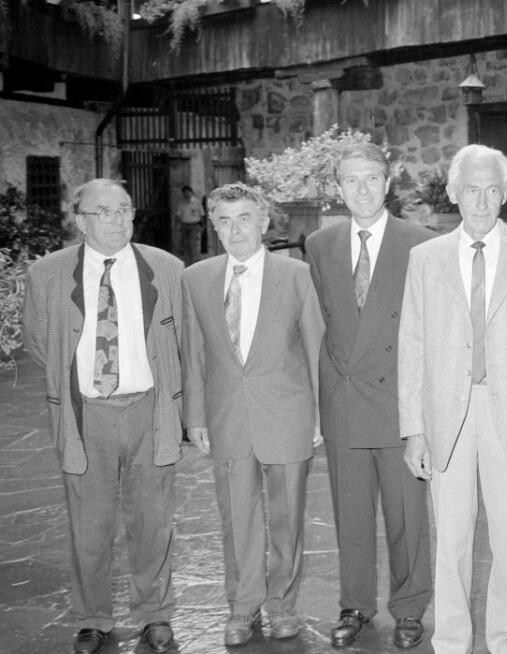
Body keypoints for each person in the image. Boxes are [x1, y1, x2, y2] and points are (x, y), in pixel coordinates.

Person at [399, 144, 507, 654]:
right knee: (451, 538)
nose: (481, 200)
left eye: (492, 190)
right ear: (453, 193)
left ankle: (503, 637)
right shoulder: (426, 257)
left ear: (505, 194)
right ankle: (451, 640)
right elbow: (412, 343)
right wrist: (414, 428)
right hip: (446, 413)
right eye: (471, 189)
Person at [22, 179, 183, 654]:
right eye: (104, 211)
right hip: (85, 414)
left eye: (124, 209)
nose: (117, 219)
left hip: (149, 409)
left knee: (153, 520)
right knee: (88, 524)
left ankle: (155, 613)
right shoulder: (47, 274)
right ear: (81, 220)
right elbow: (39, 343)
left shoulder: (167, 268)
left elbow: (183, 339)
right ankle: (93, 618)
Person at [181, 182, 324, 646]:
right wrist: (195, 416)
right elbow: (194, 353)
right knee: (236, 519)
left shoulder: (296, 275)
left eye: (244, 218)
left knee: (288, 519)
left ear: (263, 222)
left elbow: (315, 346)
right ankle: (242, 608)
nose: (235, 229)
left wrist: (320, 416)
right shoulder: (197, 278)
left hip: (287, 414)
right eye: (224, 220)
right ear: (213, 226)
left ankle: (282, 605)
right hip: (227, 417)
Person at [306, 143, 434, 649]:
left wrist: (423, 415)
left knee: (407, 518)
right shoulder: (319, 244)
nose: (361, 189)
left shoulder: (420, 243)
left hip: (399, 402)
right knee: (351, 515)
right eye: (351, 180)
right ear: (338, 187)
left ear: (387, 183)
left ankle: (409, 607)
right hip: (344, 402)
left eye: (371, 178)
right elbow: (326, 324)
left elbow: (429, 332)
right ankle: (355, 605)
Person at [176, 185, 204, 264]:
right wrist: (177, 225)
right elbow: (178, 215)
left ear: (191, 193)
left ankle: (193, 262)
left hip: (194, 226)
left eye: (188, 192)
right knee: (186, 245)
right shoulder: (181, 203)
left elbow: (202, 214)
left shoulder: (197, 202)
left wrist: (202, 225)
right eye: (185, 192)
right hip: (184, 226)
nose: (187, 194)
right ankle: (187, 262)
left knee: (192, 244)